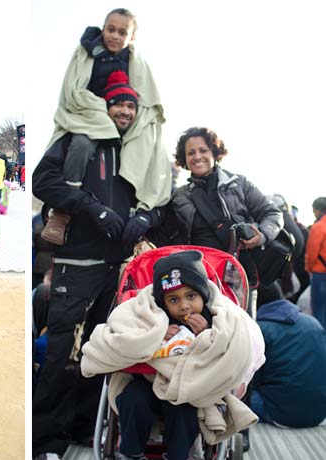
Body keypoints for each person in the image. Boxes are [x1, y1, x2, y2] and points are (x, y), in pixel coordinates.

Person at [31, 78, 165, 459]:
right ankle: (46, 442)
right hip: (78, 261)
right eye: (117, 104)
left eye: (130, 106)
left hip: (119, 265)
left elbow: (159, 198)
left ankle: (84, 425)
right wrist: (92, 207)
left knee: (103, 345)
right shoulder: (78, 139)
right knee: (63, 350)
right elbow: (44, 181)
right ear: (103, 107)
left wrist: (147, 218)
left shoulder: (139, 150)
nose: (124, 111)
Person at [81, 250, 263, 460]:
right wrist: (154, 334)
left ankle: (179, 455)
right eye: (173, 300)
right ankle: (130, 453)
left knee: (184, 408)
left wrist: (207, 333)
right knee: (132, 399)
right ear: (163, 303)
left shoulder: (214, 316)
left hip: (189, 387)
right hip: (147, 382)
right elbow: (127, 331)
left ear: (203, 295)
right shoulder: (151, 315)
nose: (184, 305)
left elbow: (227, 341)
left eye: (191, 296)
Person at [41, 7, 171, 244]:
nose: (115, 36)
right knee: (80, 144)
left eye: (122, 32)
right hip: (87, 116)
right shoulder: (85, 53)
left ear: (131, 37)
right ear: (103, 28)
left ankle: (141, 205)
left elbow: (143, 99)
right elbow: (73, 90)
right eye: (111, 29)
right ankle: (61, 213)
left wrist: (145, 218)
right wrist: (101, 110)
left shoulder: (136, 62)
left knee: (147, 150)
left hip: (116, 249)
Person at [155, 127, 283, 316]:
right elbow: (165, 235)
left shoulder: (239, 184)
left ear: (215, 153)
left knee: (243, 333)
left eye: (203, 150)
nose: (197, 156)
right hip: (200, 278)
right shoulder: (179, 197)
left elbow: (273, 213)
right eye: (191, 153)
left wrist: (263, 235)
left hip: (241, 273)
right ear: (185, 159)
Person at [250, 282, 326, 428]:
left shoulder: (260, 330)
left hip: (282, 413)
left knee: (234, 399)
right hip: (319, 413)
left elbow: (252, 381)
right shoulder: (313, 322)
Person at [305, 197, 326, 329]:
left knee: (319, 310)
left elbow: (312, 252)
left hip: (320, 273)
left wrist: (309, 268)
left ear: (318, 210)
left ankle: (321, 342)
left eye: (314, 211)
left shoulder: (318, 227)